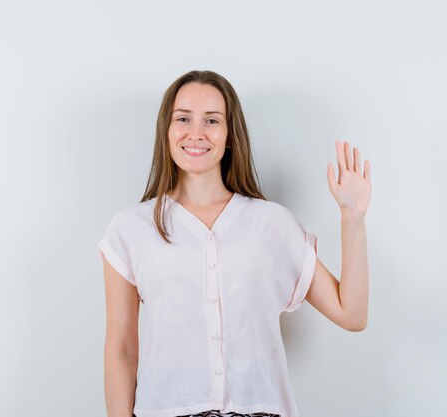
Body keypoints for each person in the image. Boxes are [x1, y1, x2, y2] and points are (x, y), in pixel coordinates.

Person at [98, 70, 371, 417]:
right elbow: (121, 348)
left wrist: (353, 216)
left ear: (229, 135)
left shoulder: (272, 223)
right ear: (166, 131)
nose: (196, 133)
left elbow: (352, 314)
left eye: (212, 120)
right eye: (183, 118)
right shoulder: (130, 229)